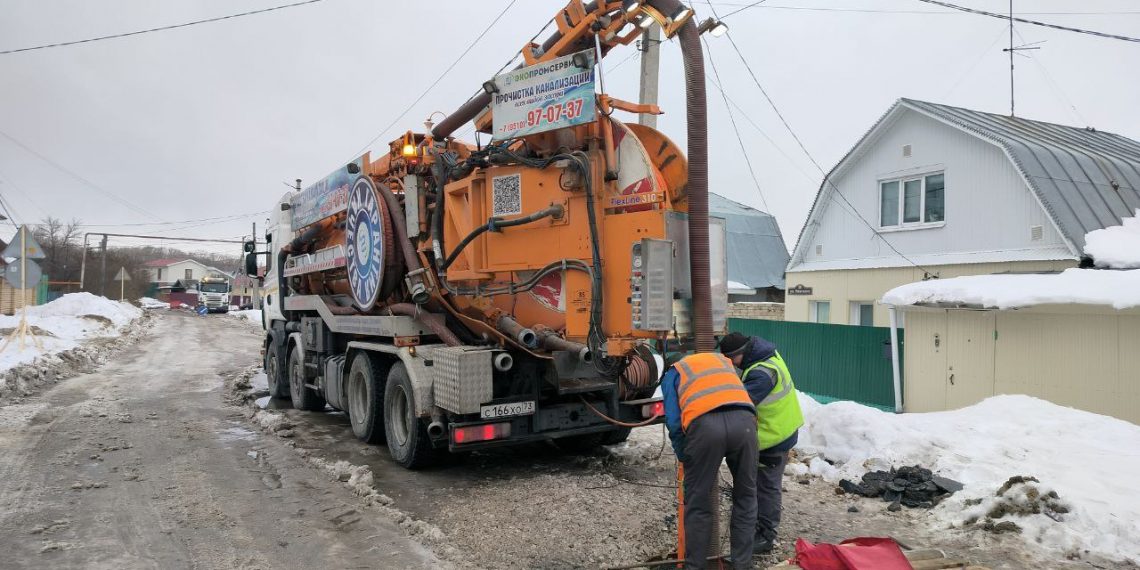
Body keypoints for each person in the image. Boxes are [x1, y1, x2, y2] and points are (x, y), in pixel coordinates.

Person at [661, 352, 759, 569]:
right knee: (746, 497)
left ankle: (695, 567)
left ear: (671, 364)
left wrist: (684, 455)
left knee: (698, 502)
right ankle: (743, 564)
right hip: (745, 424)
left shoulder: (673, 373)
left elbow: (674, 422)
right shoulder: (721, 361)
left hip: (705, 428)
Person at [718, 332, 805, 556]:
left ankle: (766, 536)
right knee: (759, 485)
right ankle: (757, 525)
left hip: (774, 439)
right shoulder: (763, 355)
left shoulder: (761, 374)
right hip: (780, 430)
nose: (731, 365)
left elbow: (738, 405)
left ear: (741, 353)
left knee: (766, 488)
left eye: (731, 360)